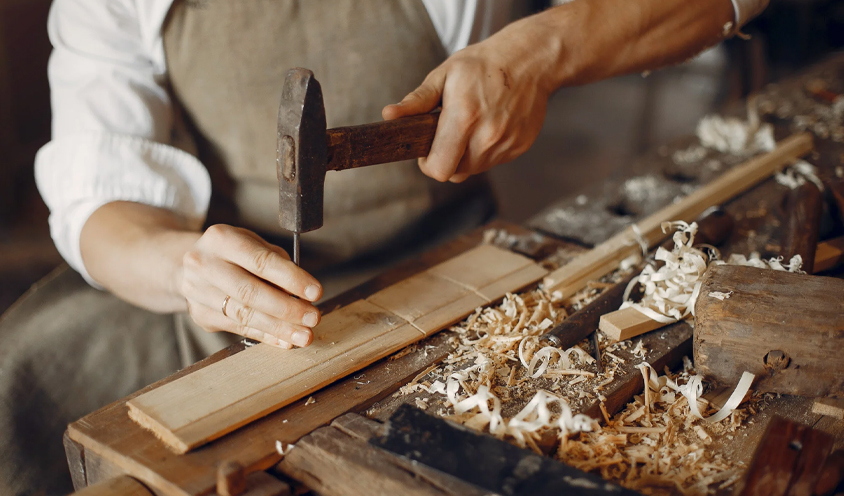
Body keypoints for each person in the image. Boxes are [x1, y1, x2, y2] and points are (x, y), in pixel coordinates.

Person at [0, 0, 767, 494]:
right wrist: (182, 265)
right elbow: (98, 200)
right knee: (23, 374)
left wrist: (544, 50)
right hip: (219, 278)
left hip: (441, 266)